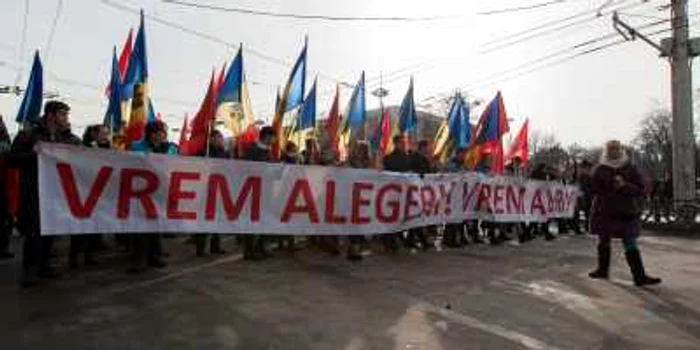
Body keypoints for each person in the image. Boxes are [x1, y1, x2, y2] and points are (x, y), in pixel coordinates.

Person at [9, 101, 81, 286]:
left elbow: (83, 157)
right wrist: (34, 154)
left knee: (51, 229)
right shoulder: (29, 135)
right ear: (51, 115)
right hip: (35, 191)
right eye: (63, 114)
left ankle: (45, 265)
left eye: (66, 115)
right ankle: (30, 270)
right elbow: (12, 159)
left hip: (58, 192)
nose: (66, 118)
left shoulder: (69, 139)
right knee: (35, 231)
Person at [588, 140, 661, 286]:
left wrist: (624, 185)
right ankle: (602, 270)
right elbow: (593, 189)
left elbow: (641, 189)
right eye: (610, 149)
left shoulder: (630, 167)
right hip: (605, 211)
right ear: (606, 151)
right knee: (603, 240)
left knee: (630, 241)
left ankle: (639, 276)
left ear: (621, 150)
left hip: (625, 211)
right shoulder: (599, 168)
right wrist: (607, 186)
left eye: (616, 148)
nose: (613, 151)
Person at [127, 121, 176, 273]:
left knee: (156, 226)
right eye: (157, 132)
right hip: (140, 192)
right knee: (141, 228)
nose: (160, 135)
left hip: (161, 192)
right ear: (149, 134)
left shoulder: (170, 148)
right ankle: (139, 260)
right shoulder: (136, 146)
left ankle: (154, 257)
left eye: (162, 132)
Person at [68, 124, 111, 269]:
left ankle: (90, 254)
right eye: (103, 133)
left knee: (96, 226)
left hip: (101, 193)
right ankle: (73, 257)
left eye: (107, 134)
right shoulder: (83, 147)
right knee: (80, 227)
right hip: (84, 191)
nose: (106, 136)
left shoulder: (110, 150)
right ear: (94, 134)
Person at [241, 126, 276, 260]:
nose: (274, 139)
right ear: (267, 136)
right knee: (251, 221)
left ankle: (261, 246)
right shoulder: (252, 149)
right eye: (273, 136)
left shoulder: (268, 151)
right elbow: (246, 168)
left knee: (264, 219)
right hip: (253, 191)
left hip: (266, 191)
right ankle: (249, 251)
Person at [194, 130, 228, 257]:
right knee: (203, 219)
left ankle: (215, 246)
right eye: (219, 138)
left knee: (217, 219)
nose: (221, 140)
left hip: (219, 189)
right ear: (211, 138)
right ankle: (200, 247)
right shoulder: (203, 152)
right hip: (204, 189)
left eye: (221, 138)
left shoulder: (224, 153)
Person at [382, 134, 413, 253]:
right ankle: (388, 240)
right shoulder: (389, 158)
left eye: (404, 142)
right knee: (391, 216)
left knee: (399, 216)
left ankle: (394, 239)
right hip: (392, 191)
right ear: (395, 143)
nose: (404, 144)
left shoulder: (407, 156)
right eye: (401, 142)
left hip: (404, 190)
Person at [345, 141, 372, 261]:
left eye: (364, 150)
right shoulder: (350, 163)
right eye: (361, 149)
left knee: (359, 224)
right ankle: (353, 250)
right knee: (354, 224)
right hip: (352, 197)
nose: (362, 152)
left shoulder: (367, 163)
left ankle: (354, 248)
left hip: (364, 197)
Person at [406, 140, 433, 251]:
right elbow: (412, 171)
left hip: (422, 189)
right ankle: (420, 240)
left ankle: (412, 239)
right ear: (422, 147)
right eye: (427, 147)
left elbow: (429, 173)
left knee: (418, 214)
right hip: (415, 188)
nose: (428, 149)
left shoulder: (425, 159)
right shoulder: (414, 157)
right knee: (416, 214)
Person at [529, 163, 556, 241]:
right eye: (545, 169)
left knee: (538, 217)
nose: (545, 170)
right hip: (540, 199)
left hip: (537, 199)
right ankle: (545, 234)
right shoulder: (542, 176)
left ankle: (529, 232)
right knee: (542, 217)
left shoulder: (536, 175)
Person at [0, 114, 14, 259]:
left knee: (6, 218)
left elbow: (11, 156)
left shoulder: (5, 138)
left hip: (4, 184)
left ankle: (3, 247)